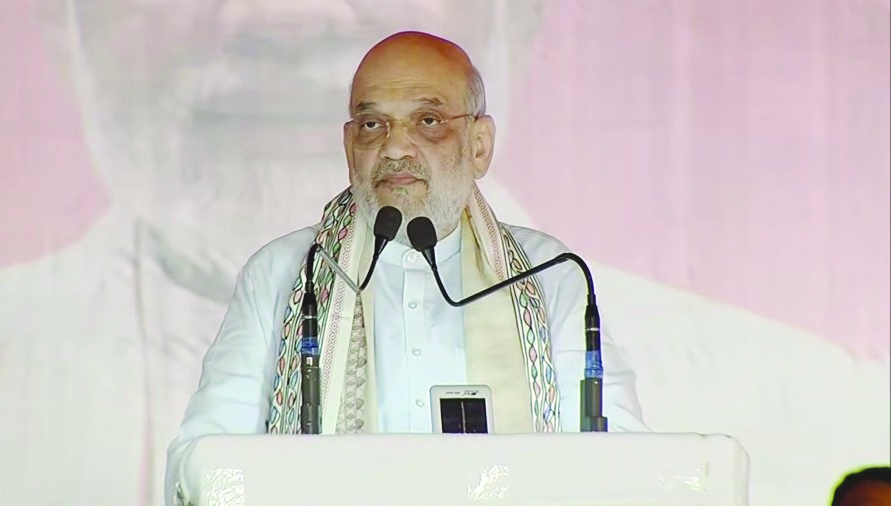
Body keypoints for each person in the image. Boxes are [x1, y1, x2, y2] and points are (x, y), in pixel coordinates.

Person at [164, 31, 648, 504]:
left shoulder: (548, 276)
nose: (395, 148)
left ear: (479, 145)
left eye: (428, 120)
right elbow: (205, 459)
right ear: (349, 145)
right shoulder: (291, 273)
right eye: (373, 125)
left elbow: (625, 465)